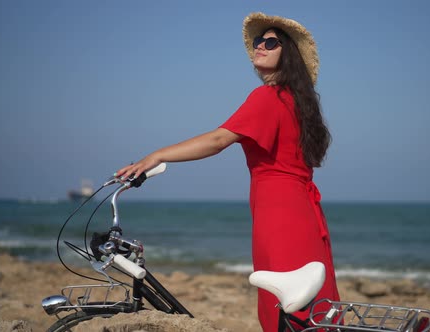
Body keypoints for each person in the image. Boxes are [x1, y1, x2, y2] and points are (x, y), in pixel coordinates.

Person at [115, 12, 340, 332]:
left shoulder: (268, 97)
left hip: (279, 217)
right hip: (302, 215)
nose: (259, 46)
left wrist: (156, 156)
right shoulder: (296, 102)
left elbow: (219, 139)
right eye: (257, 41)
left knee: (283, 309)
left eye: (270, 42)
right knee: (309, 310)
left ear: (287, 53)